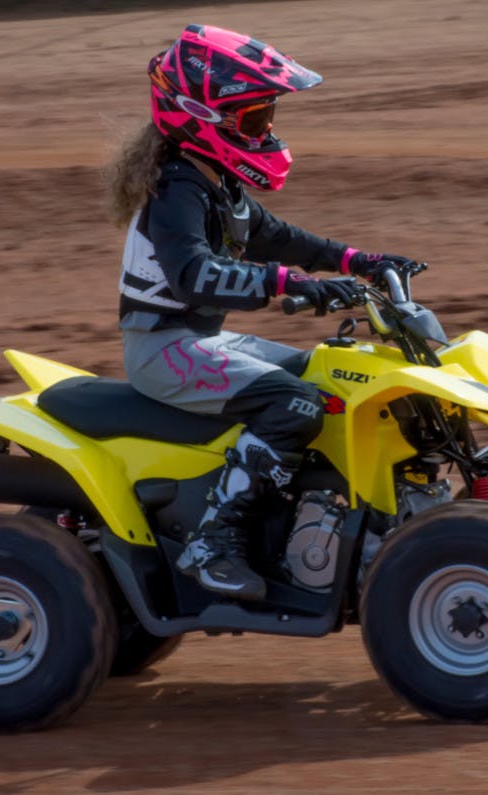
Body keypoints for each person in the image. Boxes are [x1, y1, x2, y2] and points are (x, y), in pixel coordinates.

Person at [107, 24, 418, 601]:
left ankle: (317, 513)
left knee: (328, 379)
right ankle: (212, 540)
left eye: (268, 117)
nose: (267, 131)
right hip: (161, 349)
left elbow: (274, 235)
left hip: (198, 342)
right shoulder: (176, 190)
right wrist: (283, 283)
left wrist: (357, 260)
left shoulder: (214, 181)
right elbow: (193, 273)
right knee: (295, 404)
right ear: (199, 116)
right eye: (254, 121)